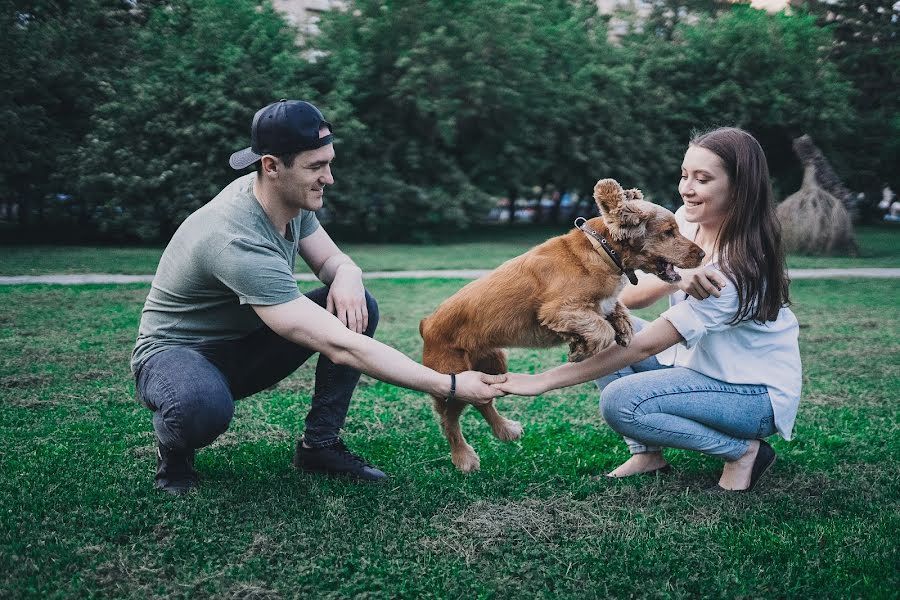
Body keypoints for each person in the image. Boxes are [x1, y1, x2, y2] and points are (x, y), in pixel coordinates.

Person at [131, 99, 505, 495]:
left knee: (358, 304)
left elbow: (332, 261)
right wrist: (449, 385)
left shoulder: (289, 200)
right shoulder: (234, 238)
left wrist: (347, 272)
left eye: (328, 163)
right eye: (315, 167)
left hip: (242, 347)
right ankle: (174, 454)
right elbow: (341, 346)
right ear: (271, 166)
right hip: (175, 356)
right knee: (200, 407)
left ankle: (320, 446)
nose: (328, 177)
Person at [494, 127, 801, 492]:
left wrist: (543, 381)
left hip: (750, 395)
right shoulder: (684, 222)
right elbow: (632, 298)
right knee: (606, 327)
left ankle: (742, 452)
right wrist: (676, 279)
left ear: (739, 188)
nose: (687, 188)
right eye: (685, 175)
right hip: (695, 366)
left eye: (702, 179)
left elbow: (646, 346)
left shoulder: (735, 269)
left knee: (621, 402)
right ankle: (648, 455)